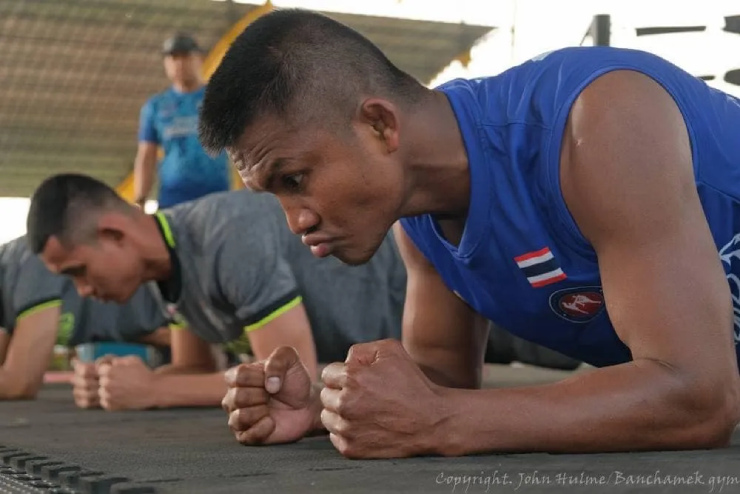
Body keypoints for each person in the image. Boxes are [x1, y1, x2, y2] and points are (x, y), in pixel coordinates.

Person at [196, 9, 740, 457]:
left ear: (380, 125)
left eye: (295, 180)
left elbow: (699, 395)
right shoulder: (421, 227)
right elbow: (439, 386)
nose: (296, 221)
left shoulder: (598, 122)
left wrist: (441, 421)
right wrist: (331, 408)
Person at [25, 174, 407, 412]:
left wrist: (154, 389)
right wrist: (123, 380)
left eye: (78, 271)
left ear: (114, 234)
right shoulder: (166, 270)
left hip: (421, 350)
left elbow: (295, 380)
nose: (84, 291)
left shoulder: (227, 236)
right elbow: (197, 370)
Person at [0, 235, 170, 402]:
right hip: (169, 335)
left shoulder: (33, 260)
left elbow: (19, 384)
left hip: (180, 309)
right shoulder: (7, 296)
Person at [133, 33, 230, 210]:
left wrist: (253, 193)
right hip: (172, 200)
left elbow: (242, 145)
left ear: (199, 59)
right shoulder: (156, 106)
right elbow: (147, 155)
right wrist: (140, 199)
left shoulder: (218, 99)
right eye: (173, 58)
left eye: (185, 57)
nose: (179, 63)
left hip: (217, 199)